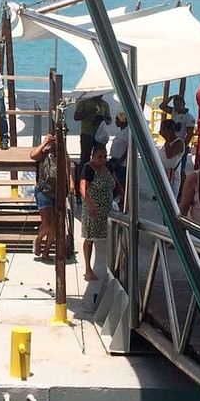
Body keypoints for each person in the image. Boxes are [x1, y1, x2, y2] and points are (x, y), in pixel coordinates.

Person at [80, 144, 122, 281]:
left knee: (114, 238)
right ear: (93, 157)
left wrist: (124, 198)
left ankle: (115, 268)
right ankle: (88, 268)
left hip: (108, 209)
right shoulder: (88, 169)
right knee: (90, 238)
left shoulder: (108, 167)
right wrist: (90, 206)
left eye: (105, 157)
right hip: (93, 210)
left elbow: (117, 183)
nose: (103, 160)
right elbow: (83, 189)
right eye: (99, 157)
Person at [30, 133, 59, 258]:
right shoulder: (44, 153)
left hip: (58, 192)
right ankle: (38, 239)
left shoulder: (62, 154)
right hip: (43, 191)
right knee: (47, 223)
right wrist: (45, 142)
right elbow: (32, 155)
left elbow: (68, 167)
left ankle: (46, 252)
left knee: (55, 225)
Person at [159, 94, 196, 186]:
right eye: (175, 104)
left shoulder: (189, 117)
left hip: (179, 144)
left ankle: (182, 189)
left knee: (180, 168)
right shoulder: (174, 112)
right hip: (171, 140)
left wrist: (183, 146)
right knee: (168, 166)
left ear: (184, 104)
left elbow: (189, 133)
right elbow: (162, 106)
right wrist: (170, 98)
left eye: (179, 104)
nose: (177, 106)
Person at [74, 95, 112, 183]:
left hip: (100, 136)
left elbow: (109, 120)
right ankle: (82, 181)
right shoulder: (84, 102)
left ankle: (99, 180)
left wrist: (103, 119)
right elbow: (76, 117)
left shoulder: (104, 104)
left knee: (100, 158)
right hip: (87, 134)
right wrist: (88, 112)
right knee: (85, 158)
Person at [158, 119, 186, 194]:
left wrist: (167, 138)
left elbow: (169, 155)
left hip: (172, 177)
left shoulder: (179, 143)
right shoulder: (167, 143)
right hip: (164, 175)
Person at [109, 112, 129, 210]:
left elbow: (128, 149)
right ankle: (121, 201)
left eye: (117, 119)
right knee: (116, 182)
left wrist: (119, 161)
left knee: (120, 183)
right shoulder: (122, 131)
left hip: (121, 162)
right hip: (115, 159)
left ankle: (123, 202)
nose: (115, 121)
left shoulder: (128, 132)